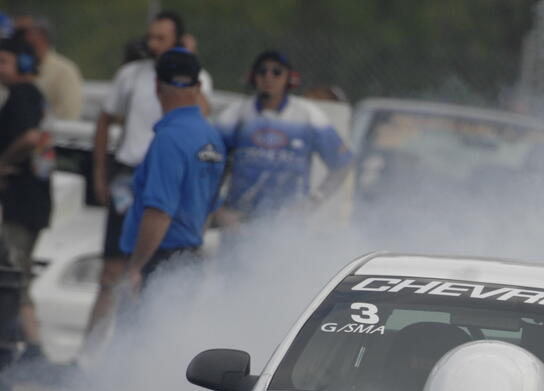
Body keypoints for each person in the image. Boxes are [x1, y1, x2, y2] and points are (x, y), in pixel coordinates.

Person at [84, 11, 212, 344]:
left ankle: (136, 347)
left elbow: (202, 114)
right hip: (130, 174)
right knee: (112, 271)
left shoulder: (195, 78)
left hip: (166, 167)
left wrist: (187, 62)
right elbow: (105, 119)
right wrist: (100, 173)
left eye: (161, 39)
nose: (153, 45)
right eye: (150, 38)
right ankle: (91, 348)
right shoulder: (131, 74)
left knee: (147, 266)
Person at [119, 48, 224, 293]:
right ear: (198, 86)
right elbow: (210, 207)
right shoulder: (211, 137)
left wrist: (136, 267)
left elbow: (159, 212)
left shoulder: (168, 139)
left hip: (159, 262)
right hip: (189, 260)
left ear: (157, 85)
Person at [214, 50, 353, 226]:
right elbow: (210, 164)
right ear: (253, 77)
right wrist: (218, 209)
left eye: (277, 72)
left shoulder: (308, 115)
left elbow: (343, 163)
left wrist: (314, 202)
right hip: (238, 222)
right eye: (262, 71)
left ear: (290, 78)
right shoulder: (235, 115)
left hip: (287, 224)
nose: (268, 77)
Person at [0, 33, 53, 366]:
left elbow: (32, 137)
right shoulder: (32, 94)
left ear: (22, 63)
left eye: (3, 61)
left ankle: (32, 349)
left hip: (23, 202)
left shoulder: (22, 93)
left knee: (12, 274)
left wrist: (3, 162)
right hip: (32, 202)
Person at [13, 14, 83, 120]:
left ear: (42, 37)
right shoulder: (12, 68)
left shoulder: (64, 71)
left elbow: (70, 114)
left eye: (24, 34)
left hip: (52, 129)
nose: (20, 40)